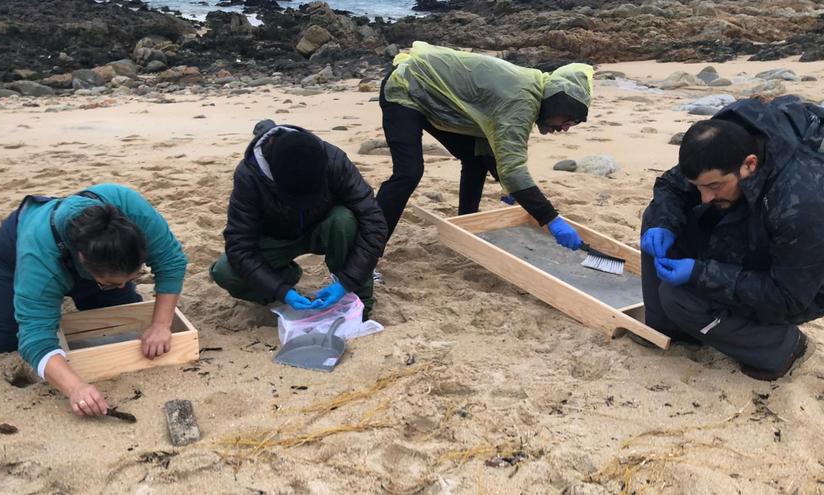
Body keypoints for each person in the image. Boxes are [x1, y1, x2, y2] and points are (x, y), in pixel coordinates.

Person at [0, 184, 188, 415]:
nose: (123, 286)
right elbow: (34, 340)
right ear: (83, 260)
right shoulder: (38, 260)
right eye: (114, 282)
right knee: (0, 338)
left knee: (119, 315)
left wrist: (161, 325)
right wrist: (76, 388)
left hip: (90, 257)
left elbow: (172, 261)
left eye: (132, 276)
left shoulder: (130, 207)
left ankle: (104, 285)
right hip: (16, 247)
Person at [639, 95, 824, 380]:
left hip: (805, 283)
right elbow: (671, 185)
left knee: (682, 298)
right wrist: (663, 224)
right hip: (756, 221)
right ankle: (671, 329)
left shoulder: (800, 203)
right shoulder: (726, 142)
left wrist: (699, 273)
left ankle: (781, 348)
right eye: (699, 187)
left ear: (749, 164)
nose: (705, 197)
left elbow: (788, 297)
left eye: (714, 186)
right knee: (656, 216)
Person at [376, 41, 594, 250]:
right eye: (568, 120)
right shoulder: (521, 103)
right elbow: (513, 169)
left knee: (476, 159)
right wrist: (551, 219)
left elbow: (494, 148)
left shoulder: (534, 89)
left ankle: (464, 231)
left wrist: (511, 187)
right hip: (406, 86)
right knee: (408, 173)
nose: (565, 128)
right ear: (558, 104)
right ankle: (367, 251)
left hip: (437, 98)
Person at [210, 120, 387, 319]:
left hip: (323, 227)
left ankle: (358, 303)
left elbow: (374, 220)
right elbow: (239, 246)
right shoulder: (249, 176)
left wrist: (346, 282)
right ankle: (284, 278)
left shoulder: (332, 159)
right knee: (225, 271)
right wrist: (281, 290)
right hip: (275, 238)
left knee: (344, 220)